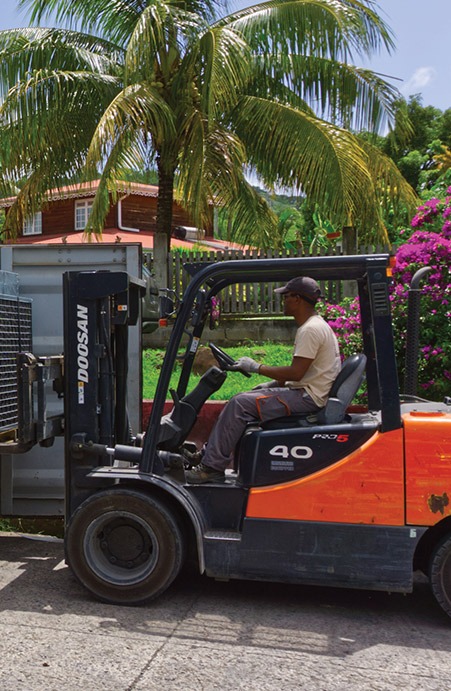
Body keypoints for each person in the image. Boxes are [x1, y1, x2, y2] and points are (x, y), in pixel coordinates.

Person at [185, 276, 341, 484]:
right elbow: (305, 373)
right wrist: (272, 384)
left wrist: (256, 367)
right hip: (307, 392)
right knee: (245, 398)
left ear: (297, 298)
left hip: (307, 398)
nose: (283, 301)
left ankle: (211, 467)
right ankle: (207, 456)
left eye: (286, 297)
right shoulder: (314, 326)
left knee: (240, 404)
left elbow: (296, 373)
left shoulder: (310, 330)